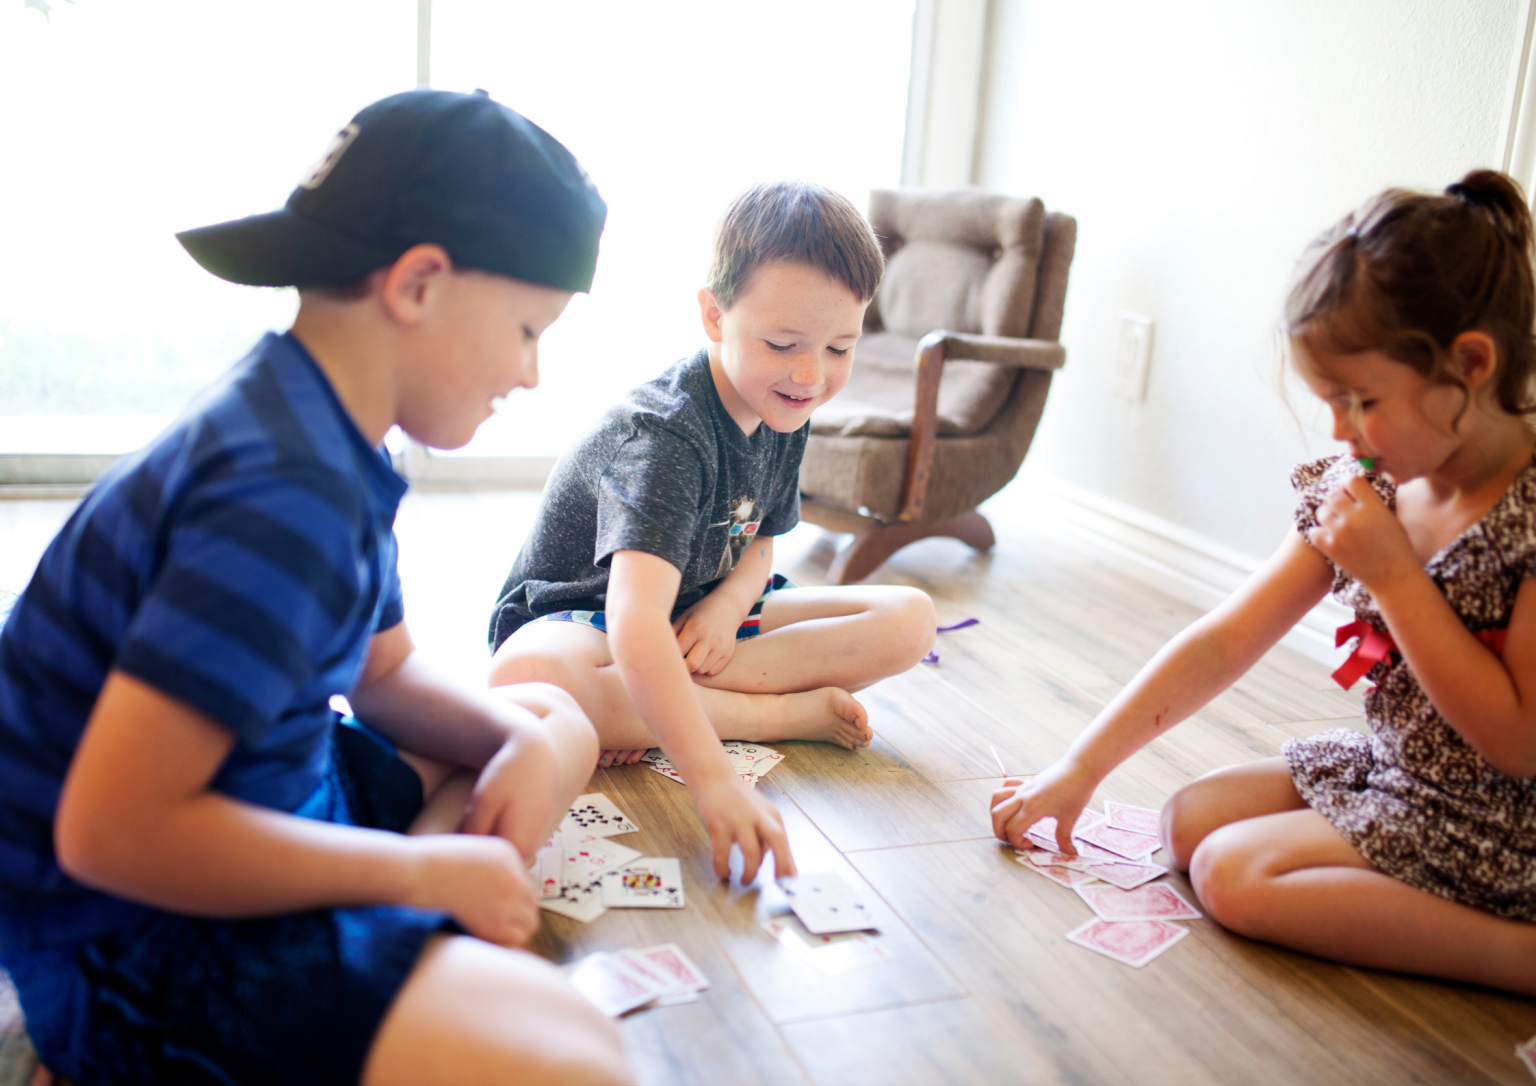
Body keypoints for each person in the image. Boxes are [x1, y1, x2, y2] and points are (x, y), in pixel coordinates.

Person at [0, 89, 632, 1084]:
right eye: (525, 328)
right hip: (128, 932)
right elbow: (109, 833)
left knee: (551, 719)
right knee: (578, 1060)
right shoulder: (279, 492)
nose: (532, 372)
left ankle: (401, 941)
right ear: (419, 283)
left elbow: (383, 678)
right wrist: (424, 866)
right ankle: (379, 949)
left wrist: (514, 739)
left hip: (270, 794)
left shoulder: (322, 426)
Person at [991, 169, 1536, 995]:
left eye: (1360, 399)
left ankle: (1518, 955)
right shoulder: (1367, 486)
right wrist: (1080, 766)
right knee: (1186, 823)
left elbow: (1518, 744)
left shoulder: (1525, 517)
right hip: (1396, 770)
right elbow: (1224, 640)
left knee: (1230, 876)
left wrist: (1394, 576)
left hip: (1504, 819)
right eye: (1328, 400)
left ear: (1470, 365)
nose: (1338, 428)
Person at [487, 181, 937, 884]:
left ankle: (659, 705)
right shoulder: (667, 435)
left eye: (840, 348)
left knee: (911, 619)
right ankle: (775, 715)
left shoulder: (787, 402)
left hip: (696, 609)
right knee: (527, 676)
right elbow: (634, 622)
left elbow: (760, 543)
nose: (811, 374)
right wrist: (715, 780)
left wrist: (727, 608)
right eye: (784, 343)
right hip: (585, 618)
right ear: (713, 314)